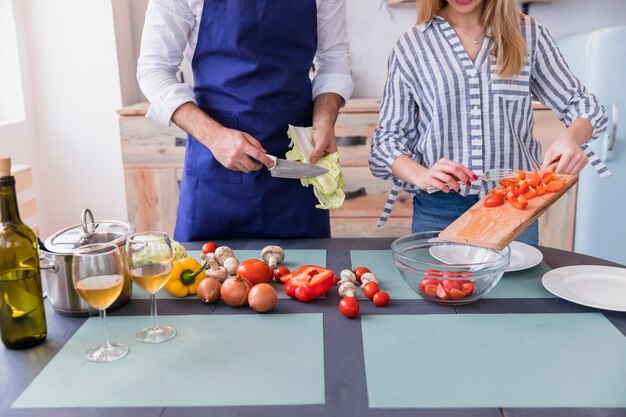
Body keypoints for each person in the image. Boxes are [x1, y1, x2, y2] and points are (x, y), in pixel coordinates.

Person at [369, 0, 609, 245]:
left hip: (515, 205)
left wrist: (571, 138)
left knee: (515, 284)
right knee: (441, 285)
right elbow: (386, 143)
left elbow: (582, 105)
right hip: (439, 210)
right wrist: (421, 175)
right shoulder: (412, 46)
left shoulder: (529, 34)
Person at [137, 0, 353, 241]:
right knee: (204, 275)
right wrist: (215, 137)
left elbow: (334, 57)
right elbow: (153, 69)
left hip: (296, 169)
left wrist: (324, 118)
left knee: (305, 276)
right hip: (215, 168)